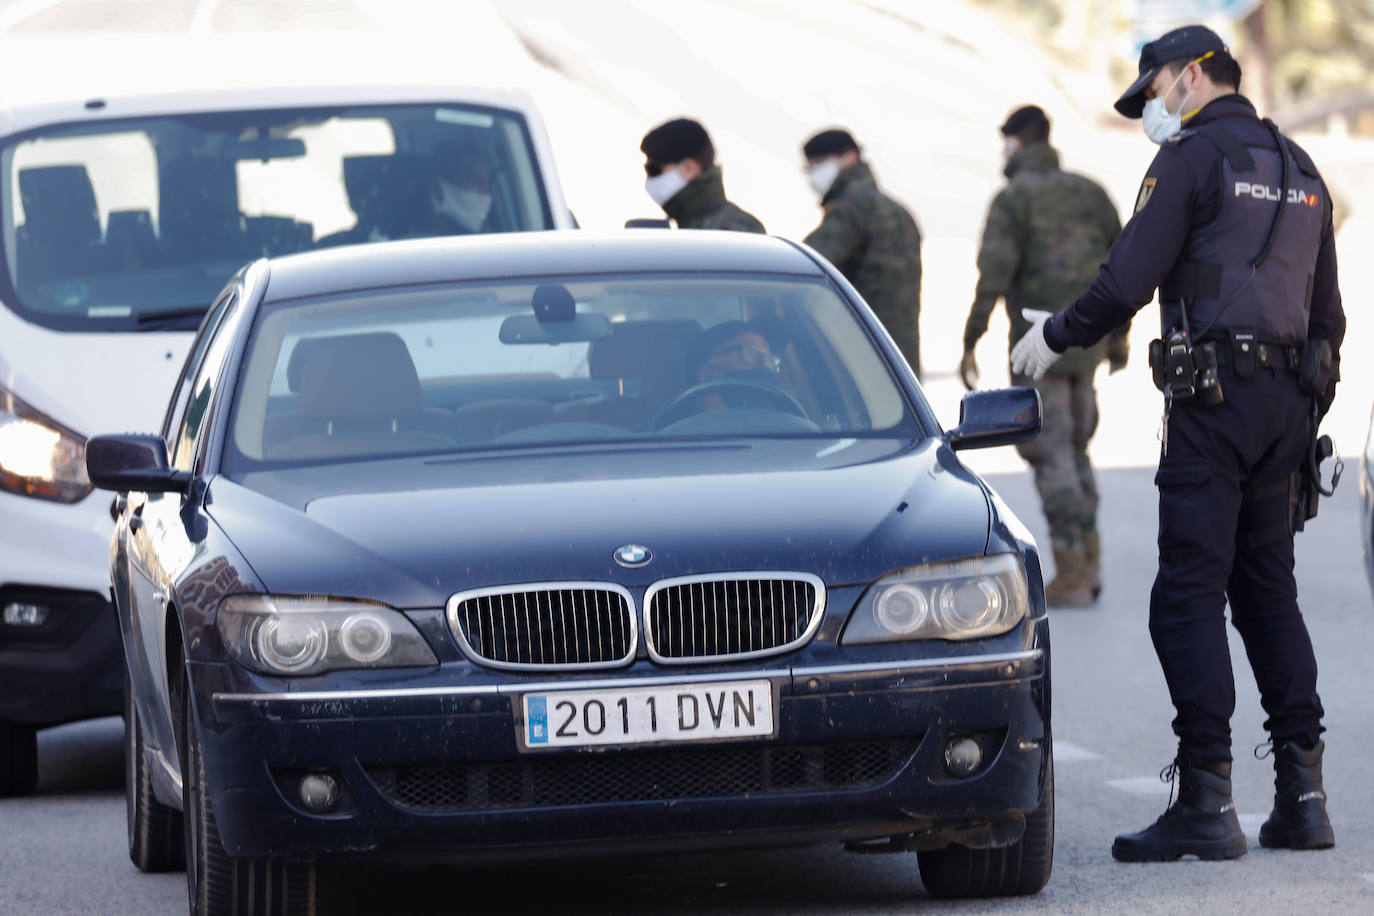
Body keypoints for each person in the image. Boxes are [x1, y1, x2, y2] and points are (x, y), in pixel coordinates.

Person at [1010, 25, 1344, 862]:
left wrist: (1054, 335)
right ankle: (1304, 800)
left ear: (1194, 75)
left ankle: (1206, 801)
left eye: (1155, 89)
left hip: (1214, 403)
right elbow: (1328, 319)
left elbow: (1128, 279)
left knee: (1186, 597)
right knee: (1268, 590)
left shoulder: (1191, 159)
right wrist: (1299, 412)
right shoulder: (1300, 168)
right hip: (1286, 410)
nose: (1152, 107)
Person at [961, 105, 1127, 608]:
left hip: (1040, 348)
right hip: (1088, 343)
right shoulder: (1091, 192)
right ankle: (1090, 561)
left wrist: (970, 339)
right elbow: (1123, 266)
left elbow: (993, 274)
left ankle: (1072, 571)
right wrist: (1118, 339)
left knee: (1051, 456)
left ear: (1015, 143)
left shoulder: (1014, 199)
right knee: (1076, 451)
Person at [801, 129, 923, 378]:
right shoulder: (900, 212)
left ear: (850, 157)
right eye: (810, 167)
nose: (814, 174)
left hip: (860, 361)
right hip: (903, 364)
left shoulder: (849, 212)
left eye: (820, 164)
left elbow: (804, 266)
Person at [639, 119, 765, 232]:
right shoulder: (691, 227)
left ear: (689, 168)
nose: (649, 179)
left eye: (653, 169)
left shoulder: (735, 230)